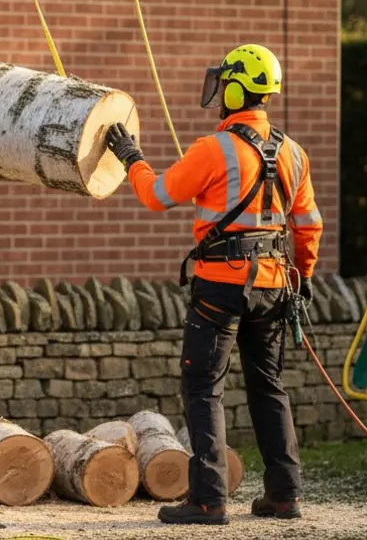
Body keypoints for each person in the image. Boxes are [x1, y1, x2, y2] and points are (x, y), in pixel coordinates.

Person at [104, 43, 322, 526]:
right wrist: (303, 278)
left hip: (220, 287)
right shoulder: (294, 152)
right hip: (274, 286)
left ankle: (208, 501)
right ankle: (285, 496)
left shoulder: (214, 148)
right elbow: (309, 225)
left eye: (225, 83)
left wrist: (131, 157)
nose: (219, 91)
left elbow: (157, 196)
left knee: (203, 388)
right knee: (269, 387)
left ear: (238, 88)